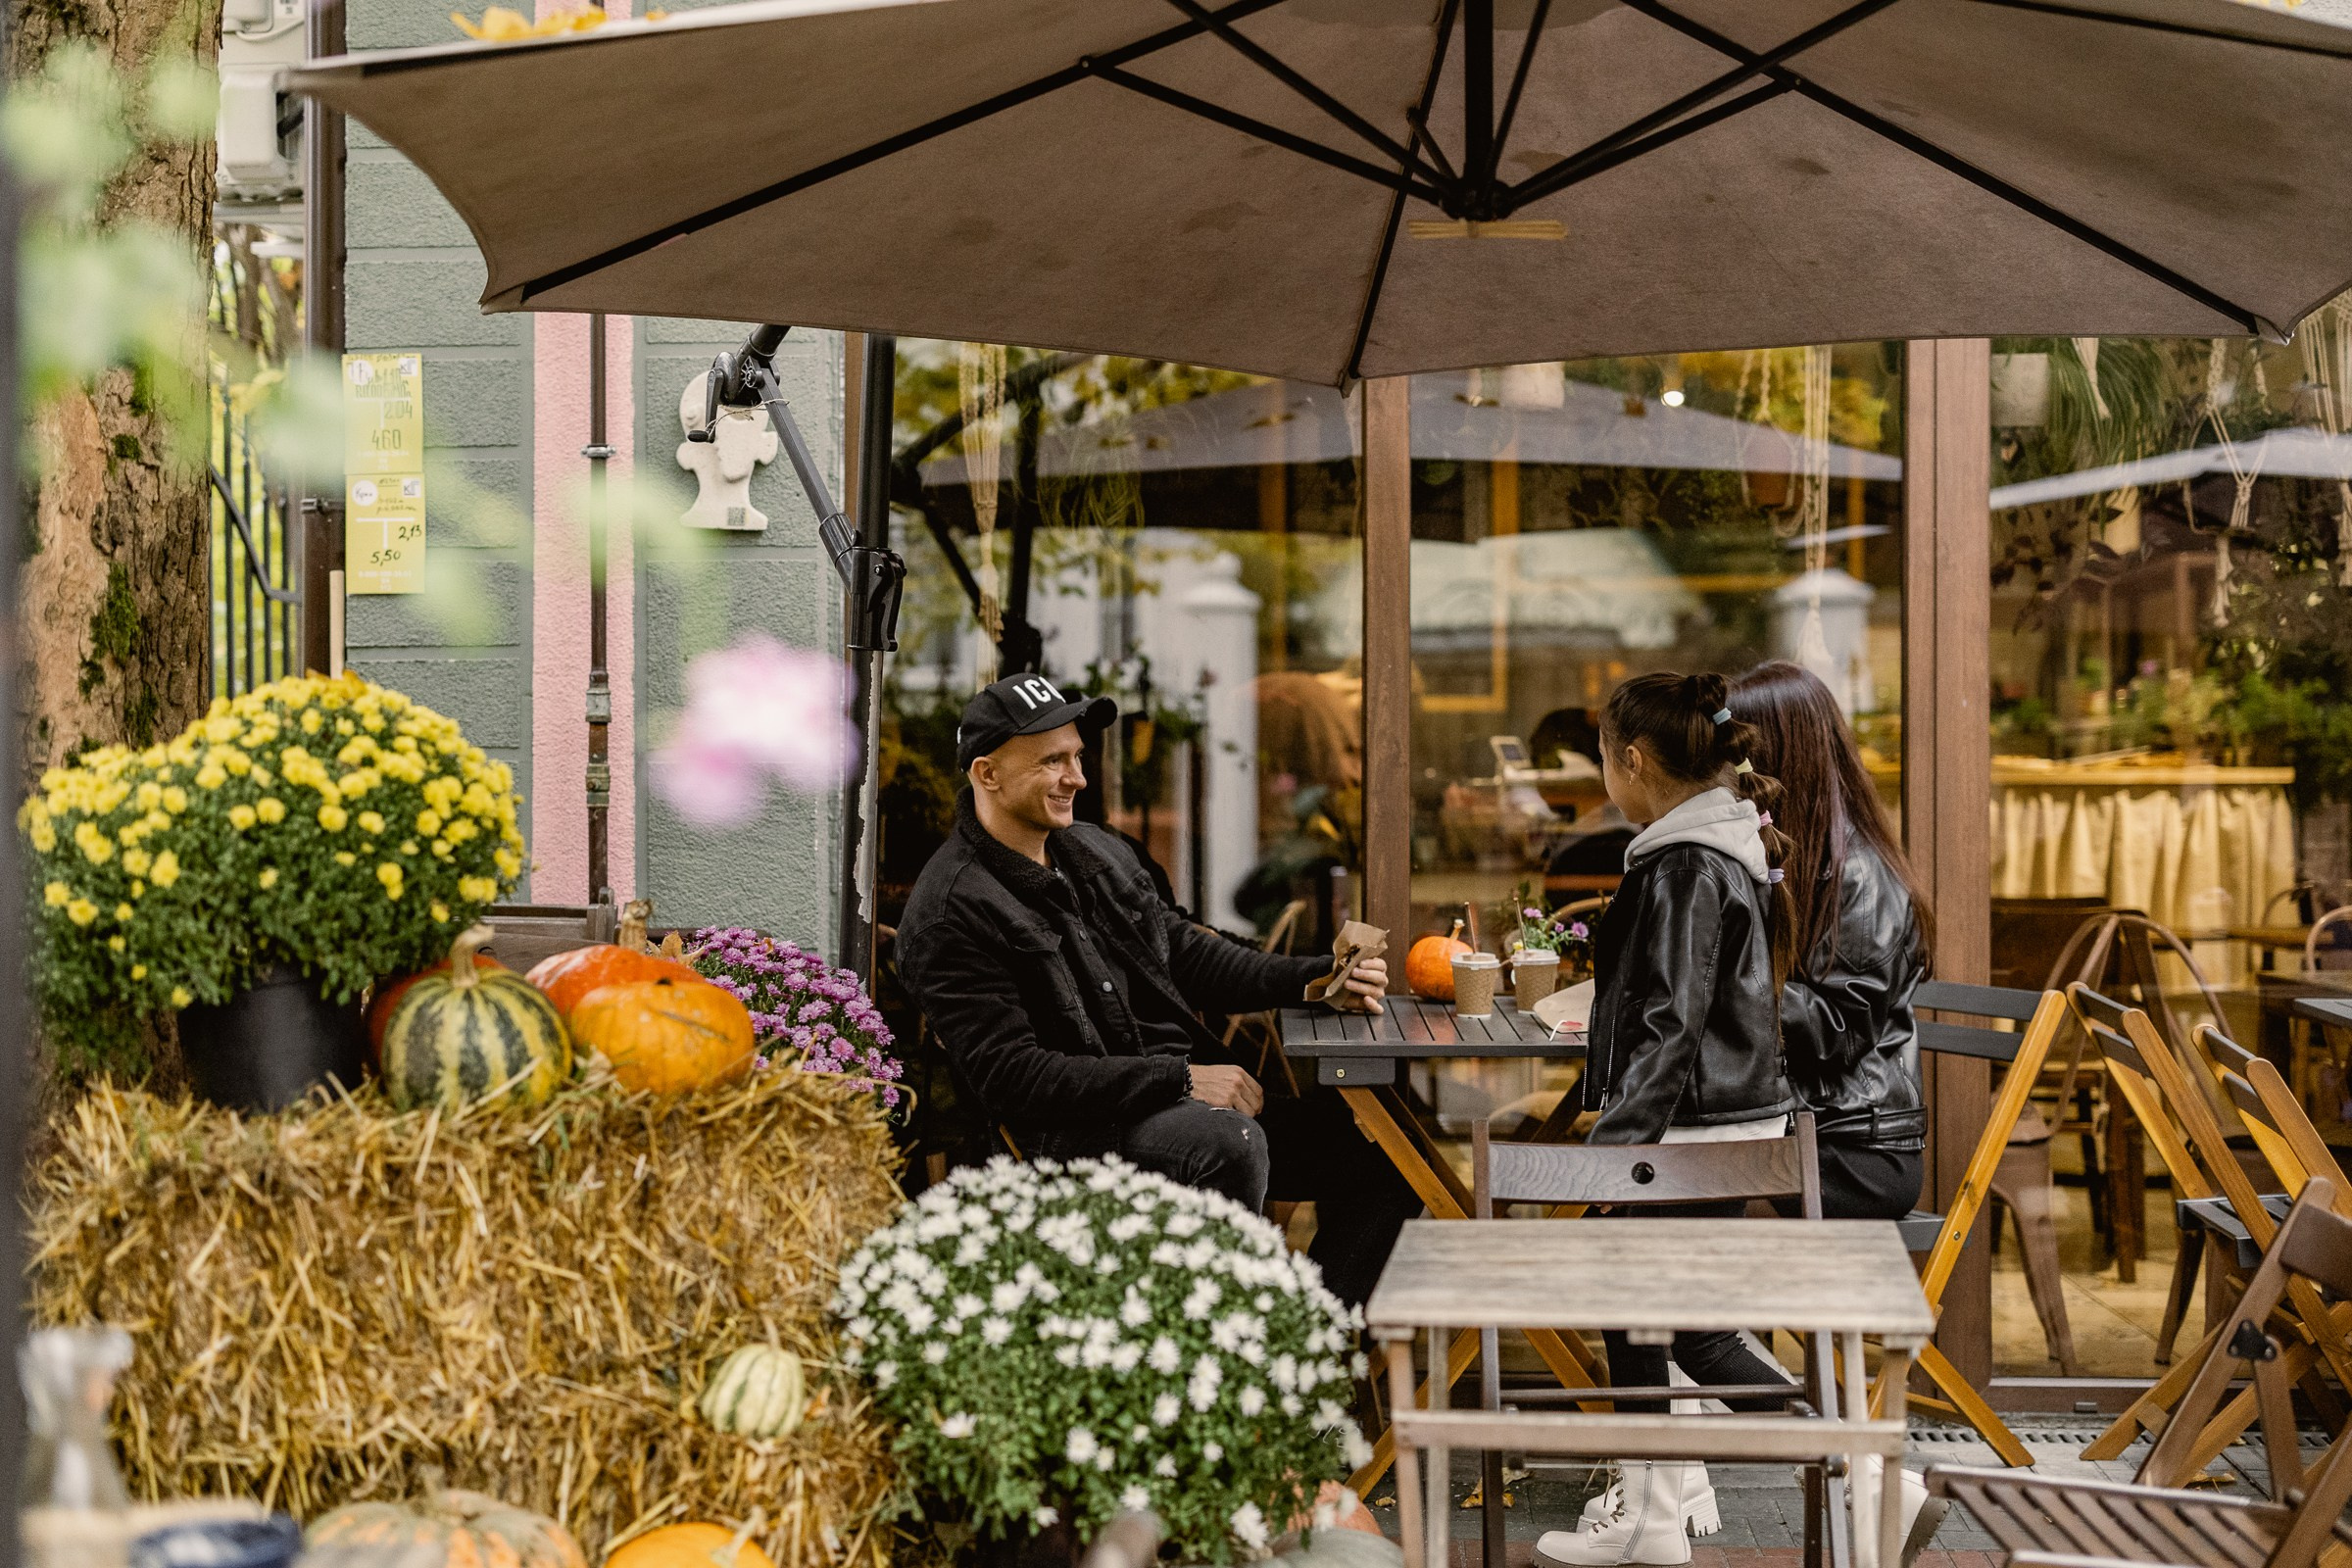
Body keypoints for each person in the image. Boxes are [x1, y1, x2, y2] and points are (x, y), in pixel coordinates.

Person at [895, 672, 1423, 1305]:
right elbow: (1015, 1078)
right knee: (1231, 1143)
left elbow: (1183, 951)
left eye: (1077, 758)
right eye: (1053, 762)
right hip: (1073, 1141)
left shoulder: (1091, 852)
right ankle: (1226, 1350)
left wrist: (1314, 980)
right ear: (987, 775)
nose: (1078, 779)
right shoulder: (952, 910)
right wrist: (1178, 1079)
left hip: (1175, 1102)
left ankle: (1314, 1341)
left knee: (1388, 1151)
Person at [1538, 671, 1797, 1568]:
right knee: (1636, 1311)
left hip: (1691, 1133)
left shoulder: (1686, 863)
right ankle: (1651, 1524)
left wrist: (1615, 1151)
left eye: (1606, 759)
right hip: (1706, 1126)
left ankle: (1869, 1471)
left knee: (1692, 1329)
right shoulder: (1709, 848)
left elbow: (1673, 1021)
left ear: (1633, 761)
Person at [1730, 661, 1931, 1220]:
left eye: (1734, 753)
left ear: (1779, 759)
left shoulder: (1860, 880)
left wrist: (1726, 974)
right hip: (1796, 1127)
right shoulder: (1786, 856)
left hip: (1854, 1148)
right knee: (1646, 1175)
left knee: (1660, 1193)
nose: (1723, 772)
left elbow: (1836, 1028)